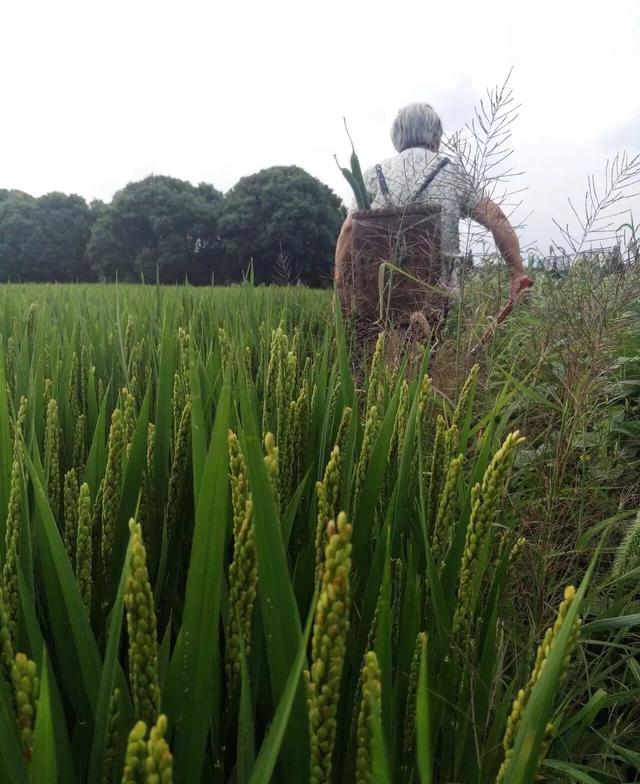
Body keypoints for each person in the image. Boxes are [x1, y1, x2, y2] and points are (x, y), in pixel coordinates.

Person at [334, 103, 532, 343]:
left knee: (379, 364)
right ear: (436, 136)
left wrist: (341, 286)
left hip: (379, 295)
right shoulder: (453, 173)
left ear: (397, 136)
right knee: (431, 364)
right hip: (436, 297)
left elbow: (348, 229)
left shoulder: (375, 173)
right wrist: (517, 272)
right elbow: (497, 219)